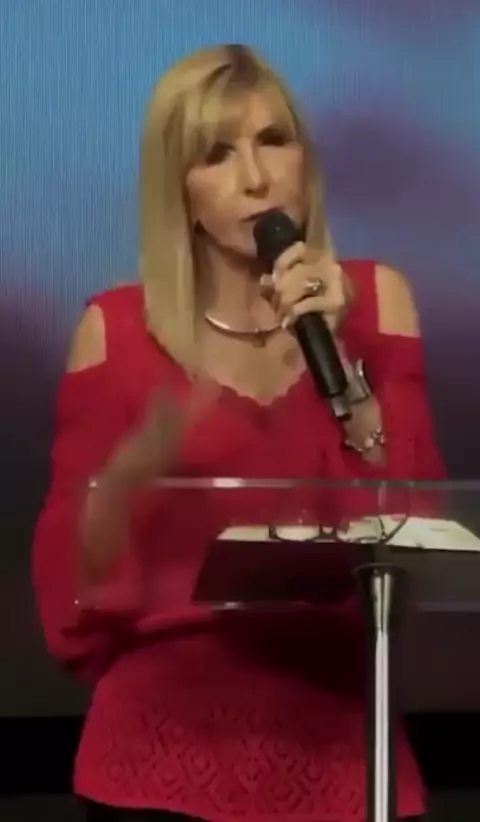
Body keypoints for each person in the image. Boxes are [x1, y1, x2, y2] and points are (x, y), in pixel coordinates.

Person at [32, 44, 444, 822]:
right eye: (216, 154)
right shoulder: (113, 332)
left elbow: (413, 530)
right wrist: (127, 477)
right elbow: (69, 595)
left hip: (345, 761)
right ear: (179, 190)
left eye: (273, 141)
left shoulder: (377, 304)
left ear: (304, 162)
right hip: (153, 764)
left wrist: (345, 369)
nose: (255, 178)